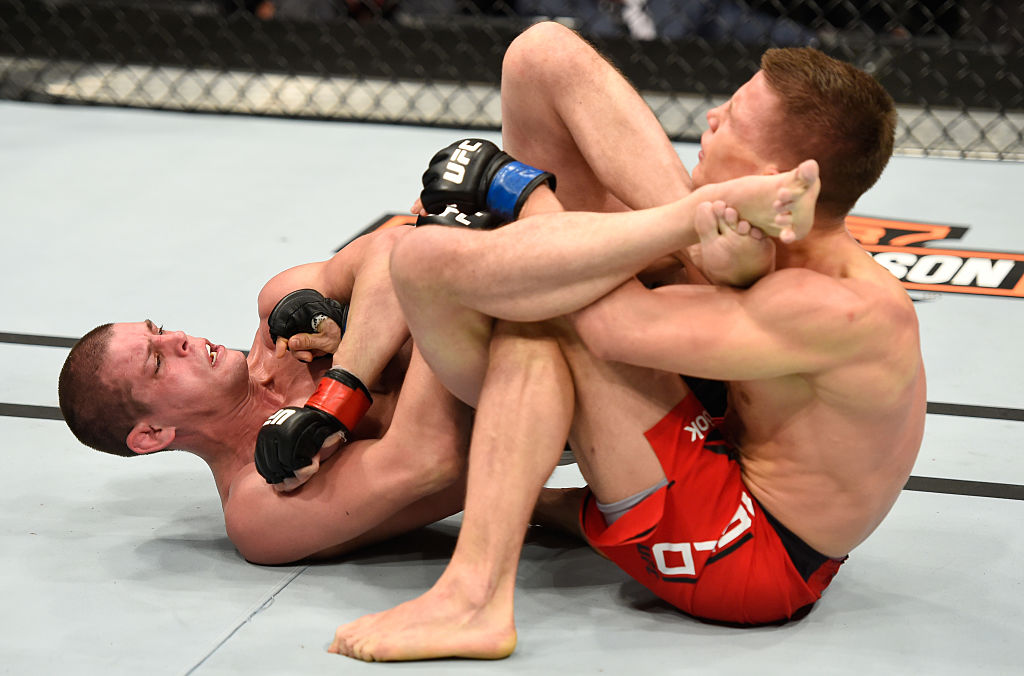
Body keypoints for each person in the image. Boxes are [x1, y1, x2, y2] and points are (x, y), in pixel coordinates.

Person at [327, 20, 923, 661]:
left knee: (522, 306)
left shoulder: (828, 305)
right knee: (541, 55)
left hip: (751, 555)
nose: (710, 116)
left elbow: (608, 328)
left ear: (775, 175)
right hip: (725, 428)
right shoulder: (780, 246)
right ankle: (536, 453)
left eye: (732, 121)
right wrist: (676, 233)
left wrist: (526, 198)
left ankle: (475, 598)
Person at [58, 224, 473, 565]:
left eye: (161, 330)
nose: (180, 338)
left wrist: (350, 353)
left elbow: (397, 243)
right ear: (152, 433)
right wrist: (403, 310)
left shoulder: (280, 311)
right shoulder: (257, 507)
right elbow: (432, 458)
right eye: (158, 362)